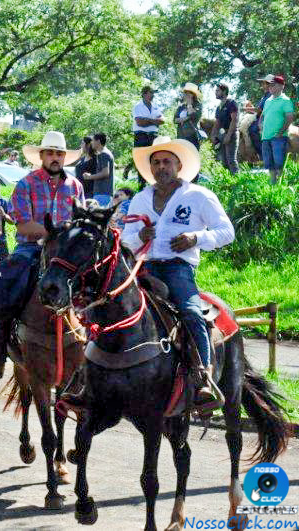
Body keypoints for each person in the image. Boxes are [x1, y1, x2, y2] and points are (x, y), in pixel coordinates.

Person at [122, 136, 234, 410]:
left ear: (179, 165)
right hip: (144, 267)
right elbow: (125, 239)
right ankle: (92, 375)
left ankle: (203, 375)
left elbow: (227, 232)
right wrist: (140, 236)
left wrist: (195, 238)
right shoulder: (140, 199)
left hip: (178, 268)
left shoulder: (198, 195)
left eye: (167, 162)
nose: (161, 167)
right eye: (156, 162)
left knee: (191, 311)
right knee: (108, 307)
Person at [0, 131, 83, 386]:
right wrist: (54, 233)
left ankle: (99, 351)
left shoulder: (75, 186)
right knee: (5, 289)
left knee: (98, 284)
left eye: (59, 153)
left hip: (66, 251)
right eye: (50, 153)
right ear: (42, 156)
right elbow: (23, 226)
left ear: (64, 157)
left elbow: (80, 220)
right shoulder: (26, 184)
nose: (55, 158)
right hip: (32, 248)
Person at [260, 75, 295, 183]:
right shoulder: (267, 101)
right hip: (266, 137)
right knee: (269, 164)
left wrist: (280, 132)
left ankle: (280, 187)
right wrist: (260, 124)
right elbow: (262, 115)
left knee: (279, 164)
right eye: (269, 85)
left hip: (278, 138)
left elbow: (290, 118)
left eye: (273, 85)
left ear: (281, 86)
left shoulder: (286, 100)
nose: (270, 87)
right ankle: (272, 186)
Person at [210, 83, 239, 174]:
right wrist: (213, 135)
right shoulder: (218, 107)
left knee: (231, 160)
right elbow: (217, 122)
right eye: (216, 91)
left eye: (218, 91)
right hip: (222, 134)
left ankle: (237, 181)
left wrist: (229, 135)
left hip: (232, 133)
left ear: (224, 91)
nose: (216, 92)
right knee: (224, 162)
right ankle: (227, 184)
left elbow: (234, 120)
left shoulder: (231, 103)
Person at [83, 132, 114, 206]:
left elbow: (105, 173)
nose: (92, 143)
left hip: (102, 194)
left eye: (93, 141)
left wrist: (89, 177)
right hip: (103, 194)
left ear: (98, 141)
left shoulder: (103, 154)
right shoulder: (106, 153)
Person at [249, 74, 274, 159]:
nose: (262, 85)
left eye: (264, 83)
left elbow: (260, 110)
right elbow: (258, 109)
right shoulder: (265, 95)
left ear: (269, 84)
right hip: (262, 117)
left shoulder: (269, 95)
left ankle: (262, 154)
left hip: (266, 119)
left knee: (252, 129)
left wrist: (244, 109)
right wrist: (250, 108)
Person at [174, 82, 203, 150]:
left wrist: (189, 103)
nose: (184, 95)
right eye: (184, 93)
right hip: (181, 137)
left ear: (192, 94)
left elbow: (193, 115)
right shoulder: (181, 106)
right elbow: (175, 120)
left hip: (192, 137)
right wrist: (187, 118)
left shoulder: (198, 105)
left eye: (186, 93)